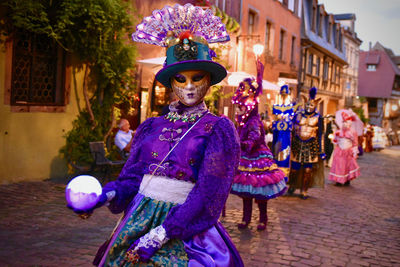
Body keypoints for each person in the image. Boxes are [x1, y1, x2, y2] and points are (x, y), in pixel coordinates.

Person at [70, 4, 244, 266]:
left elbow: (209, 193)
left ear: (208, 80)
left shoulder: (218, 129)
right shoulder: (151, 126)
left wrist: (161, 235)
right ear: (171, 82)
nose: (189, 86)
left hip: (185, 227)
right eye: (181, 79)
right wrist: (102, 196)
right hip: (138, 218)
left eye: (197, 77)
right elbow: (132, 178)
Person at [231, 59, 287, 231]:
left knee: (260, 193)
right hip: (246, 158)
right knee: (246, 193)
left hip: (257, 157)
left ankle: (263, 218)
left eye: (240, 108)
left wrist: (242, 143)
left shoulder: (254, 121)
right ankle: (246, 218)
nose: (237, 111)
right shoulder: (242, 121)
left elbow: (254, 138)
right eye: (237, 108)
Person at [288, 87, 326, 199]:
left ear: (315, 106)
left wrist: (322, 150)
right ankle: (292, 186)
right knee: (294, 169)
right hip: (298, 145)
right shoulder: (298, 114)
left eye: (311, 105)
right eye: (307, 105)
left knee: (308, 170)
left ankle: (304, 190)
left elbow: (320, 135)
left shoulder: (318, 117)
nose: (309, 107)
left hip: (311, 146)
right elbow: (292, 129)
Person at [329, 110, 360, 185]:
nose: (345, 124)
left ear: (349, 123)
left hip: (348, 151)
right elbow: (335, 141)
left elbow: (355, 143)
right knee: (339, 166)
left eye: (346, 122)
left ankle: (346, 180)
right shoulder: (338, 132)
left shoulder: (353, 132)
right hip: (339, 151)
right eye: (343, 122)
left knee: (347, 166)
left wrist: (354, 152)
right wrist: (334, 138)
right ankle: (338, 181)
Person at [272, 85, 297, 176]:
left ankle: (284, 173)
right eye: (282, 95)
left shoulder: (290, 108)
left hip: (286, 134)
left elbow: (291, 121)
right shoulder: (276, 106)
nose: (283, 97)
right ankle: (276, 171)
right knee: (276, 150)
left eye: (285, 95)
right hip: (278, 133)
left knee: (285, 151)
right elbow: (275, 119)